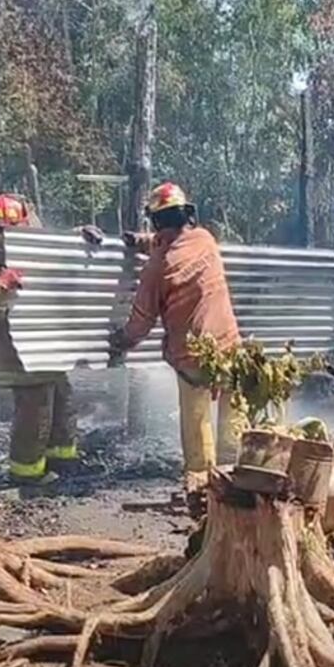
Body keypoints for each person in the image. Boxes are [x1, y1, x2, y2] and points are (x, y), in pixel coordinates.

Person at [110, 182, 241, 478]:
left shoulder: (158, 268)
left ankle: (201, 481)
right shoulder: (205, 239)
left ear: (156, 222)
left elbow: (142, 320)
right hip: (231, 346)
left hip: (193, 357)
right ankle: (237, 476)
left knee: (197, 424)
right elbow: (171, 241)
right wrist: (140, 241)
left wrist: (122, 340)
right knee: (233, 420)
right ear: (187, 215)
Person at [0, 193, 79, 484]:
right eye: (6, 232)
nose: (13, 238)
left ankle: (63, 462)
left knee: (63, 399)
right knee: (34, 409)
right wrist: (0, 289)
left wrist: (82, 238)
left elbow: (58, 255)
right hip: (15, 358)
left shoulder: (29, 259)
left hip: (44, 353)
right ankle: (26, 473)